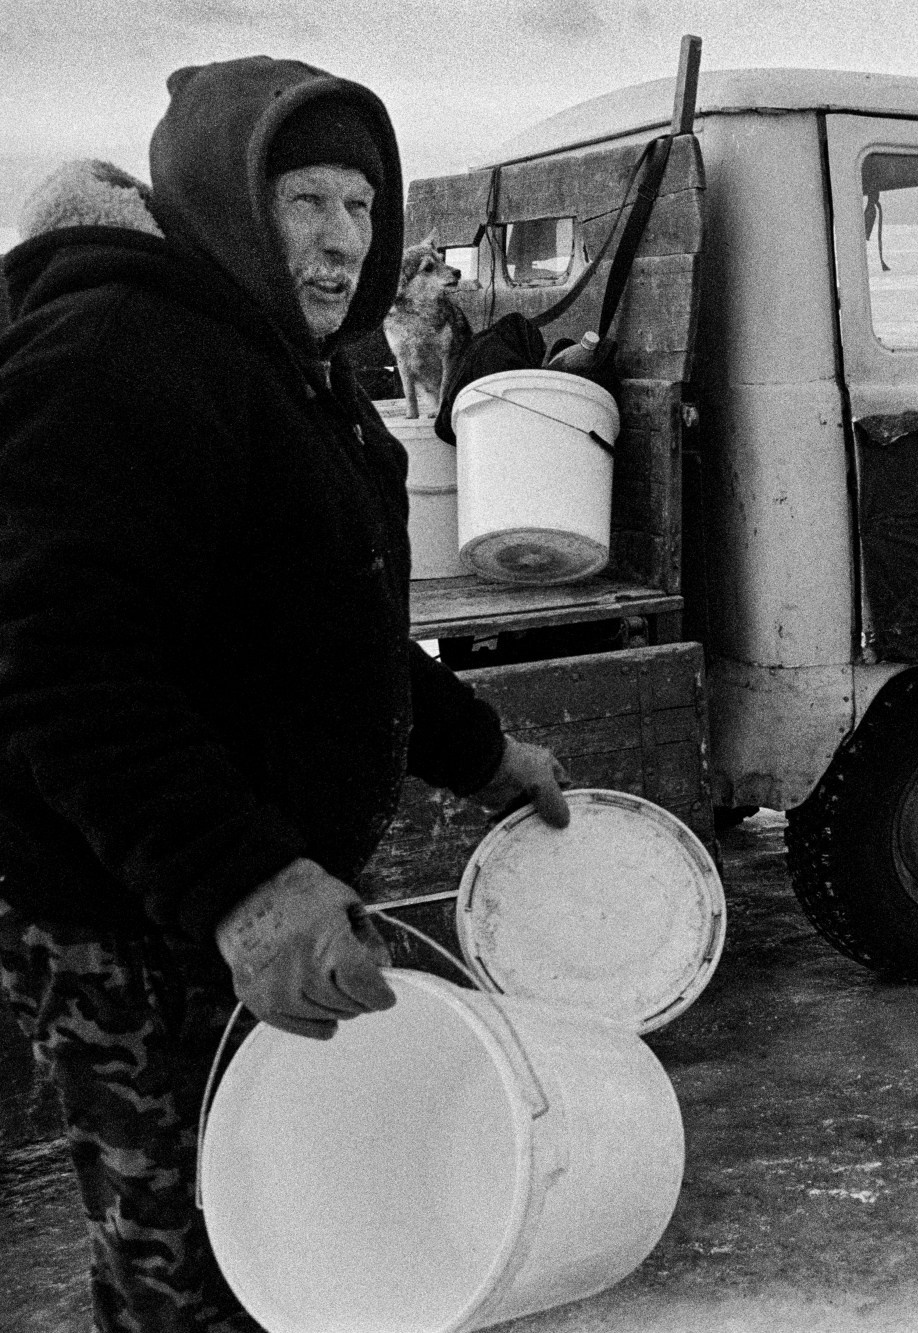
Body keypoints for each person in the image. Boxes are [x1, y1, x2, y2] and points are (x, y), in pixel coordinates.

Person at [0, 57, 570, 1332]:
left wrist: (485, 753)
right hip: (129, 918)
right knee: (189, 1268)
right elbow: (52, 663)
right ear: (222, 203)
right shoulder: (116, 352)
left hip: (242, 892)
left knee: (286, 1232)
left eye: (362, 208)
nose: (339, 243)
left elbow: (332, 633)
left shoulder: (297, 381)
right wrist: (244, 882)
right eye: (305, 201)